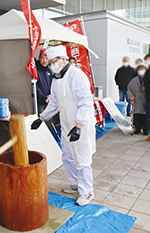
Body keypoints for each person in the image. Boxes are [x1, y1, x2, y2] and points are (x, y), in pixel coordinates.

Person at [31, 45, 96, 206]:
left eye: (54, 61)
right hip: (67, 125)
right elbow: (54, 103)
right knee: (67, 156)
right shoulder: (57, 79)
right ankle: (75, 183)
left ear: (64, 59)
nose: (51, 64)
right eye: (50, 62)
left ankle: (87, 191)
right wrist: (41, 118)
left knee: (82, 159)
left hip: (81, 125)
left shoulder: (77, 76)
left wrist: (79, 126)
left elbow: (86, 103)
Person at [128, 64, 148, 135]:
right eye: (140, 70)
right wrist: (131, 96)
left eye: (143, 70)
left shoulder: (148, 79)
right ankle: (137, 128)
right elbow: (129, 89)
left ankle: (146, 129)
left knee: (145, 116)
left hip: (146, 100)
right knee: (137, 116)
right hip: (137, 100)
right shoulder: (134, 80)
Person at [36, 49, 53, 113]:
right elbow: (36, 86)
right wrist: (44, 97)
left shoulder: (49, 70)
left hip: (49, 100)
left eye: (46, 58)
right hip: (40, 101)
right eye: (43, 58)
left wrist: (51, 95)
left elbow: (52, 84)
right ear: (39, 58)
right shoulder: (36, 70)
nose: (45, 61)